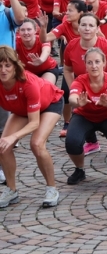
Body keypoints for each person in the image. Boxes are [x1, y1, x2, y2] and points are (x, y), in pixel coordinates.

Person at [0, 47, 63, 208]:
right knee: (3, 146)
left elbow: (34, 123)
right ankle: (11, 190)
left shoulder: (28, 83)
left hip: (49, 104)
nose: (3, 70)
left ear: (15, 66)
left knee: (36, 144)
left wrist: (14, 137)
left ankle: (52, 189)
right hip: (22, 109)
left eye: (7, 65)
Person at [65, 48, 107, 185]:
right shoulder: (80, 80)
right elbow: (72, 98)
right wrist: (78, 102)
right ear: (85, 65)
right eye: (89, 62)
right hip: (85, 115)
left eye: (97, 62)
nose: (94, 66)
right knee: (72, 141)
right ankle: (79, 170)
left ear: (104, 63)